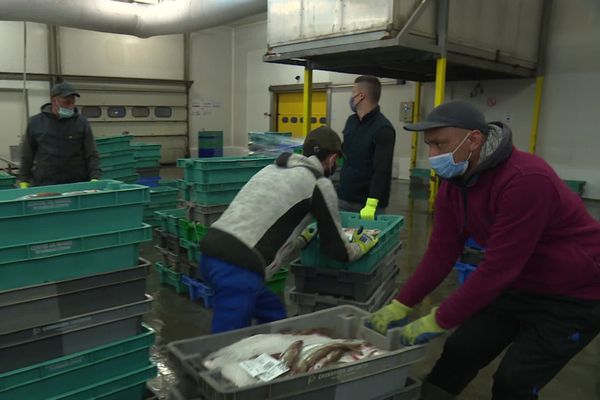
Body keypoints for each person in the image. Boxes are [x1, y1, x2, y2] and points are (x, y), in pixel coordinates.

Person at [368, 101, 600, 400]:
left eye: (440, 144)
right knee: (459, 351)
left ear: (474, 139)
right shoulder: (455, 183)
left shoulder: (526, 180)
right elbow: (441, 252)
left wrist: (439, 318)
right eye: (429, 145)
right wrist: (402, 304)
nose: (433, 155)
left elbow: (499, 268)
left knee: (513, 382)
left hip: (573, 295)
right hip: (520, 285)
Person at [199, 126, 379, 334]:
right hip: (239, 269)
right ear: (331, 158)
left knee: (276, 317)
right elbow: (338, 251)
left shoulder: (271, 169)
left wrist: (302, 237)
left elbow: (265, 222)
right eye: (337, 160)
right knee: (224, 347)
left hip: (210, 252)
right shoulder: (319, 184)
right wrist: (363, 243)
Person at [19, 81, 101, 187]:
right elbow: (27, 154)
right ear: (54, 101)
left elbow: (91, 153)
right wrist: (24, 180)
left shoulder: (81, 123)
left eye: (73, 103)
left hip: (76, 184)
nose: (71, 107)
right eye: (66, 103)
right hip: (45, 184)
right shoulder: (35, 123)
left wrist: (95, 177)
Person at [338, 75, 396, 219]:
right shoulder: (351, 121)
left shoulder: (383, 129)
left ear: (361, 96)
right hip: (344, 197)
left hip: (368, 204)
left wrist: (371, 204)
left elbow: (382, 170)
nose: (351, 97)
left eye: (353, 92)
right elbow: (345, 156)